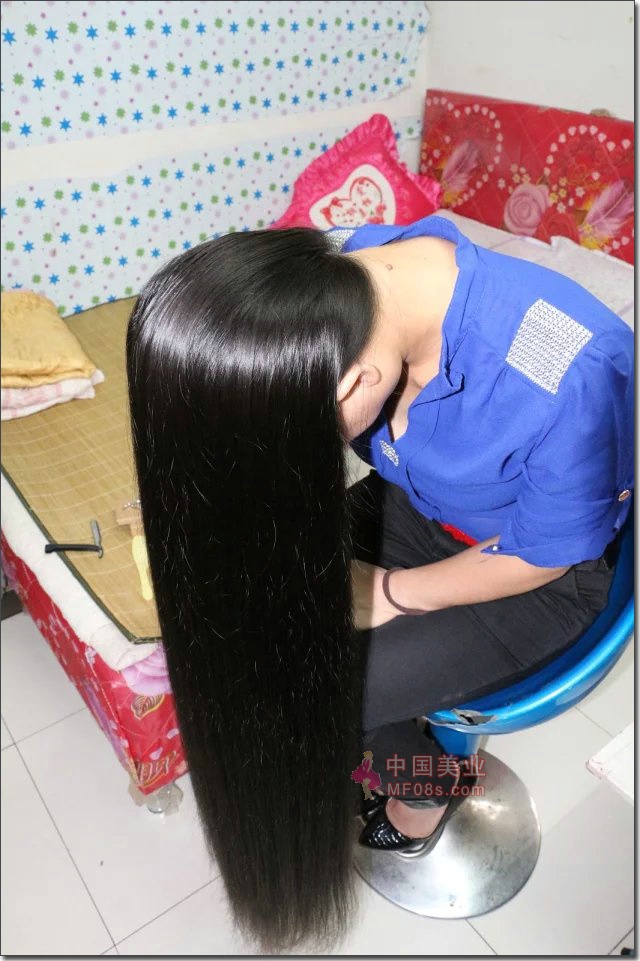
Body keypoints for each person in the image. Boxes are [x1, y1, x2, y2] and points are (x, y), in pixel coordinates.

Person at [125, 215, 633, 953]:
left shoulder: (571, 370)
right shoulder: (346, 274)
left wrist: (389, 594)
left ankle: (426, 789)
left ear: (354, 382)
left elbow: (545, 557)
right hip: (419, 505)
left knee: (308, 701)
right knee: (253, 624)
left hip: (534, 572)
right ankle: (390, 744)